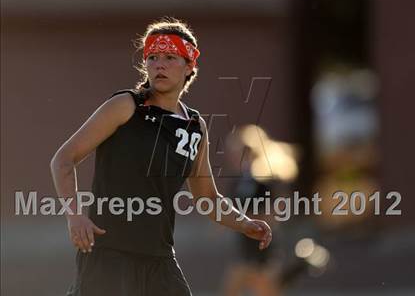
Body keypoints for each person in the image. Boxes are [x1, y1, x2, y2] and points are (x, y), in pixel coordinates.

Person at [50, 17, 272, 296]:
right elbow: (63, 159)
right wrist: (75, 216)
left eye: (169, 57)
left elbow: (208, 199)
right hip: (109, 256)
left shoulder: (195, 127)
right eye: (152, 57)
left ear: (190, 66)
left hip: (160, 260)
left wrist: (245, 223)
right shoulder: (126, 106)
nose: (159, 65)